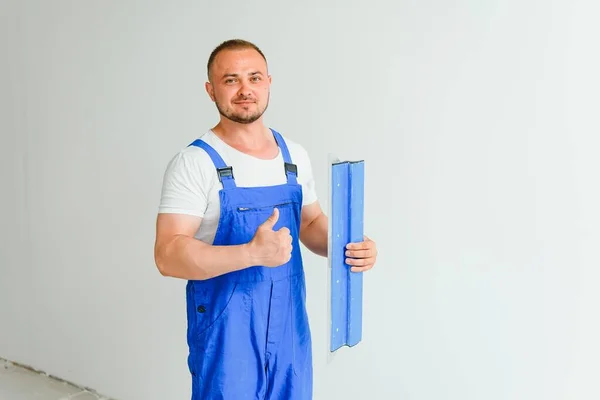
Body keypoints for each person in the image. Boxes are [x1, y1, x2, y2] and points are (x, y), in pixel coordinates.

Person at [153, 39, 378, 400]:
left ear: (269, 82)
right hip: (228, 333)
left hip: (290, 328)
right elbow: (167, 254)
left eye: (254, 78)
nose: (245, 89)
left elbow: (310, 222)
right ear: (211, 90)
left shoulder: (294, 156)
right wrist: (250, 254)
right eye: (231, 80)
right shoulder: (195, 162)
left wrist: (351, 244)